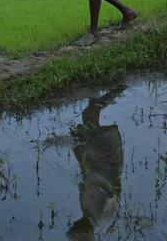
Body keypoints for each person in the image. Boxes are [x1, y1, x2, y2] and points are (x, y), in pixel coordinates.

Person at [66, 88, 125, 240]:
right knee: (89, 116)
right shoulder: (100, 215)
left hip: (98, 160)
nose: (73, 223)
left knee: (89, 116)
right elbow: (114, 191)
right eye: (74, 227)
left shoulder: (88, 214)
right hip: (105, 160)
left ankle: (101, 91)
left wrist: (78, 150)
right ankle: (115, 88)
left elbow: (85, 176)